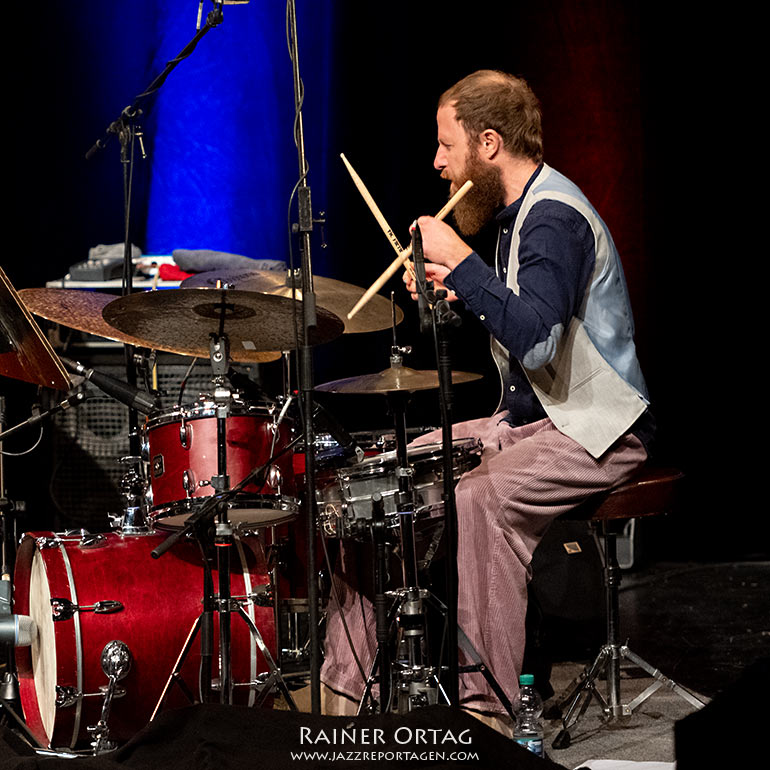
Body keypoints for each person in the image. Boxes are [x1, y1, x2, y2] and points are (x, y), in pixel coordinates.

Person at [320, 69, 654, 735]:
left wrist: (463, 264)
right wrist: (460, 291)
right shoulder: (514, 216)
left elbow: (536, 343)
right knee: (376, 483)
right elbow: (525, 329)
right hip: (532, 422)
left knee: (480, 499)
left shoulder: (553, 218)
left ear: (489, 143)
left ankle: (488, 718)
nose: (437, 163)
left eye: (447, 146)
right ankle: (345, 703)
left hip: (600, 431)